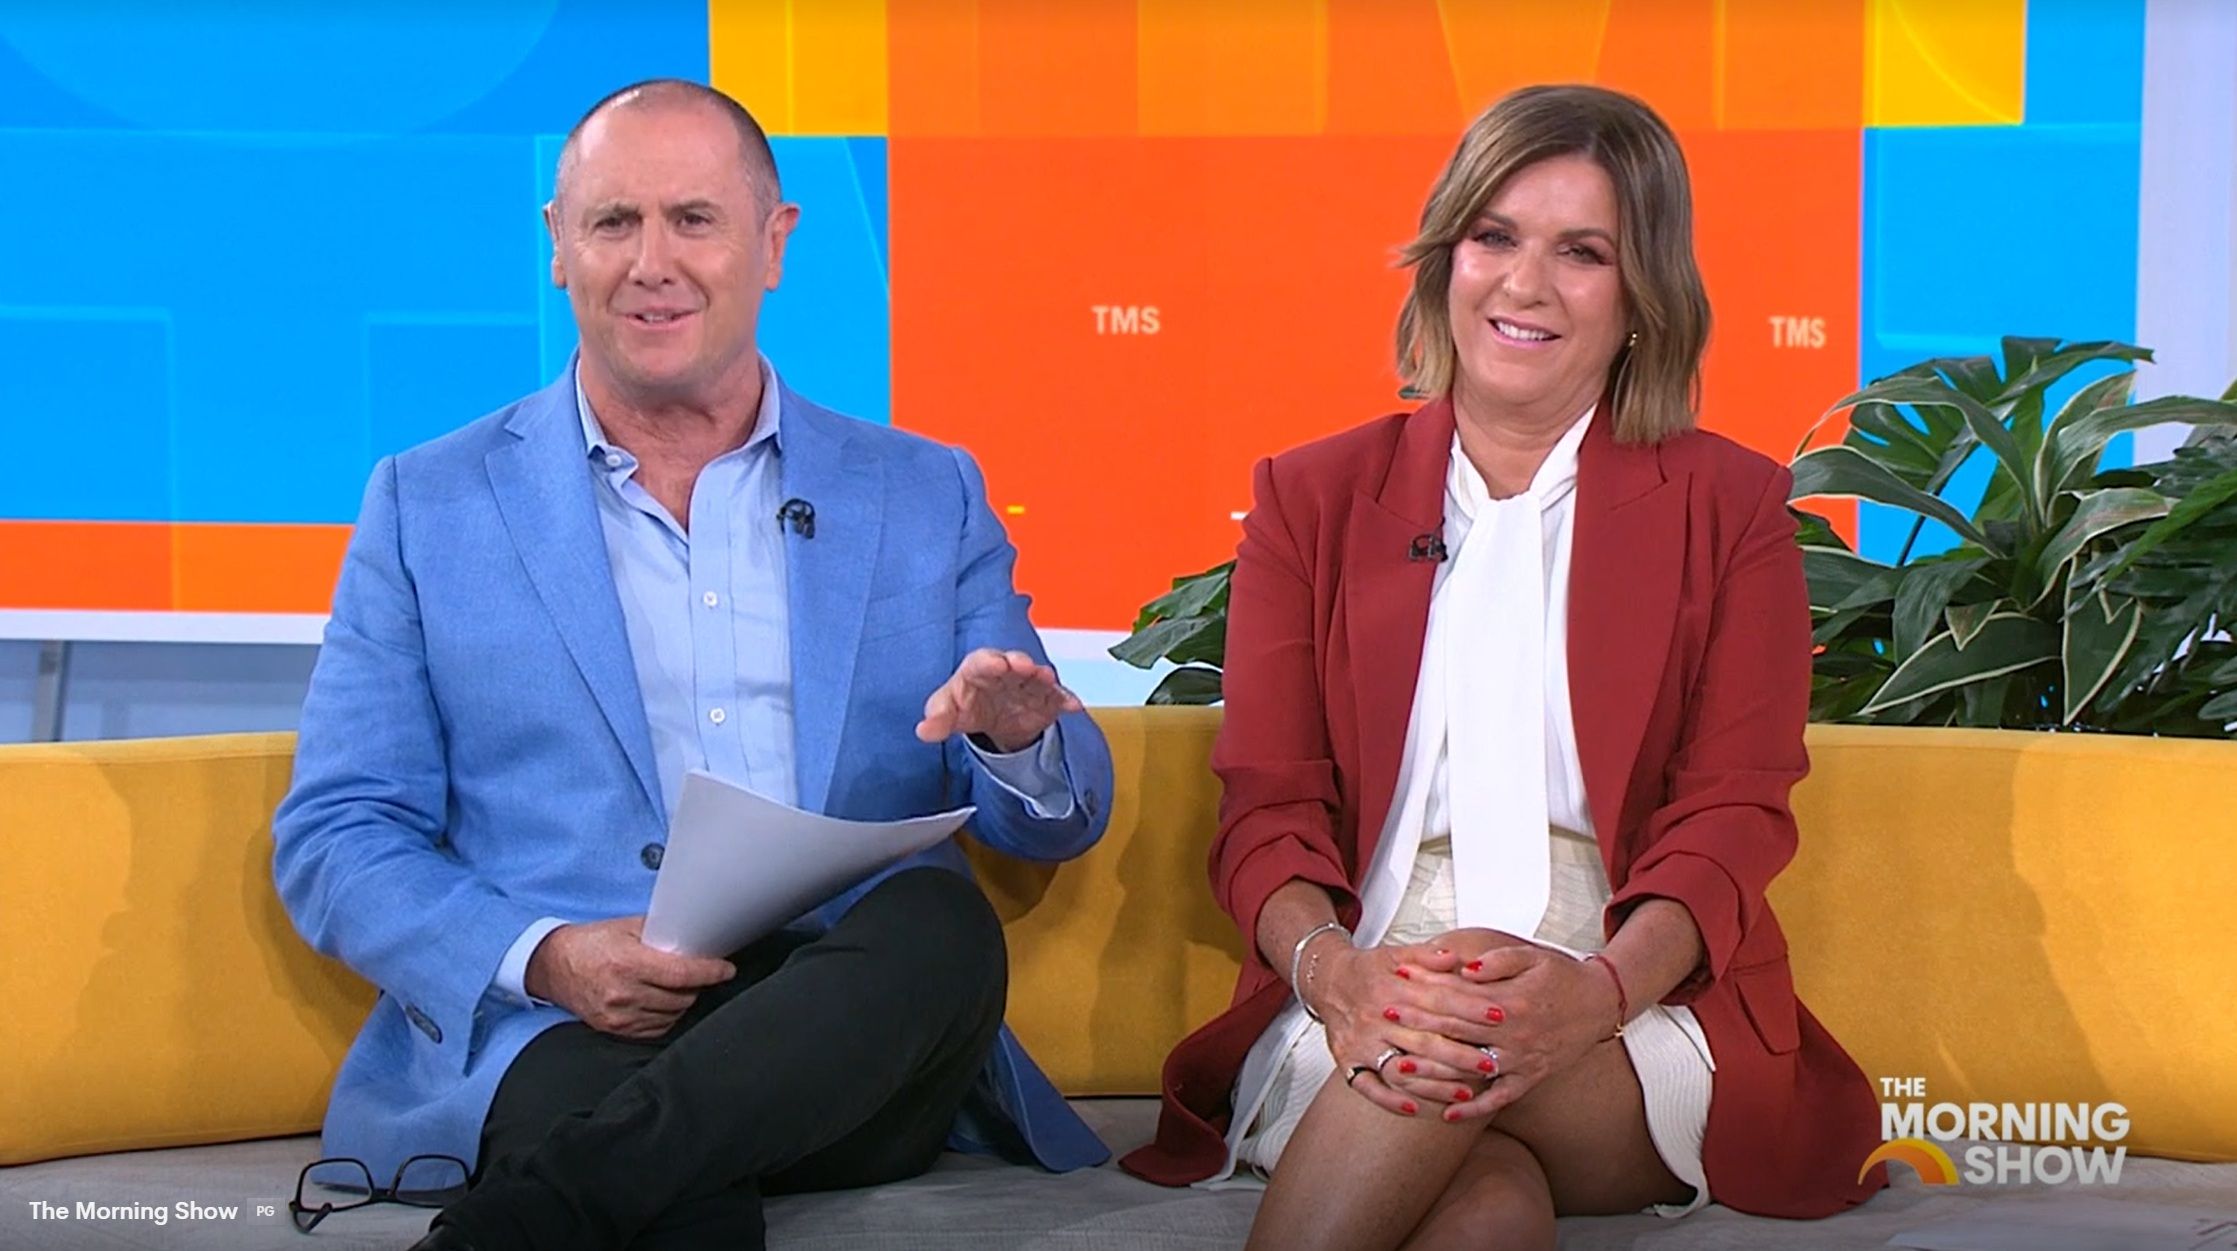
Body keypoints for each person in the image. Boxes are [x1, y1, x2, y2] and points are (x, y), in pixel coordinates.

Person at [272, 79, 1115, 1251]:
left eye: (694, 220)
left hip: (846, 1026)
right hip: (573, 1030)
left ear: (773, 244)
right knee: (659, 1163)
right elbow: (338, 833)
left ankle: (523, 1220)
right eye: (613, 222)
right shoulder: (430, 504)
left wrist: (1014, 740)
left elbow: (1054, 826)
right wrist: (547, 958)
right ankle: (570, 1201)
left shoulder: (923, 491)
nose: (650, 264)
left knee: (938, 922)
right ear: (558, 245)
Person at [1120, 85, 1884, 1248]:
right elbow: (1267, 810)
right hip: (1360, 988)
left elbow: (1730, 817)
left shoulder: (1727, 509)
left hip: (1633, 1001)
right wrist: (1338, 981)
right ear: (1445, 261)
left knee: (1451, 1030)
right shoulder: (1311, 498)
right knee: (1482, 1205)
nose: (1524, 285)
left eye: (1581, 253)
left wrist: (1592, 995)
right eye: (1494, 237)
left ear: (1642, 297)